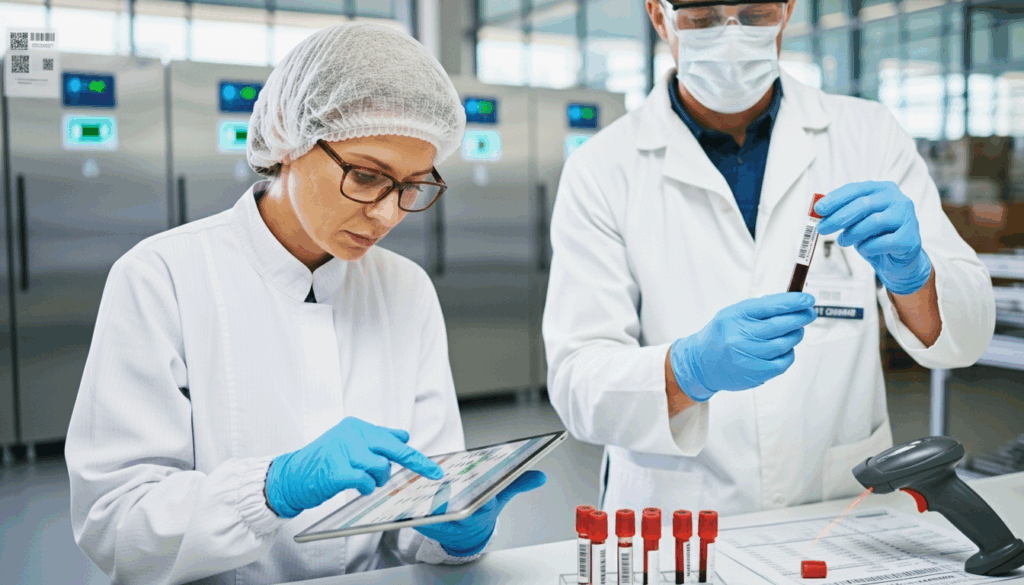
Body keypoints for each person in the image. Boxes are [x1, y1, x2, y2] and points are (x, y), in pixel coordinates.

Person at [66, 22, 544, 585]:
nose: (389, 215)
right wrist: (271, 489)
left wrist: (452, 522)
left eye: (413, 186)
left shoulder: (405, 288)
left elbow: (420, 500)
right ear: (286, 135)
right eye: (367, 176)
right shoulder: (162, 278)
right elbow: (114, 523)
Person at [543, 0, 994, 516]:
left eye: (755, 15)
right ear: (658, 15)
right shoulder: (602, 168)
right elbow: (578, 383)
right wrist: (687, 370)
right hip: (676, 518)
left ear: (787, 9)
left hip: (837, 509)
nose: (732, 38)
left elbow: (966, 337)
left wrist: (914, 276)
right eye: (703, 17)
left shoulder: (868, 134)